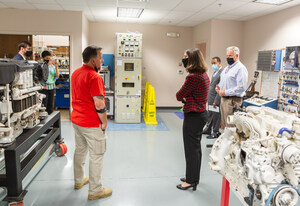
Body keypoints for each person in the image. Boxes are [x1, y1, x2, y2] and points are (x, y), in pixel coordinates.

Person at [71, 45, 112, 200]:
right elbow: (99, 103)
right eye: (100, 57)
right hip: (90, 123)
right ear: (94, 60)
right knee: (97, 155)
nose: (102, 60)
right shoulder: (95, 77)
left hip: (77, 121)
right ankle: (95, 190)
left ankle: (79, 180)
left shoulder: (76, 73)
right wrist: (104, 122)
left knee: (80, 150)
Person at [176, 48, 209, 191]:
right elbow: (194, 94)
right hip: (201, 114)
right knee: (195, 149)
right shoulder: (204, 74)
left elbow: (179, 95)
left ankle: (191, 181)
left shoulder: (192, 77)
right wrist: (188, 97)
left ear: (192, 60)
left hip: (193, 116)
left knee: (191, 149)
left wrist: (185, 97)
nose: (183, 59)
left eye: (185, 57)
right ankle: (193, 176)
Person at [216, 46, 248, 128]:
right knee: (225, 125)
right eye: (227, 56)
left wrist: (225, 92)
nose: (228, 58)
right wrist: (219, 87)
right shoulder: (227, 68)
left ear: (236, 55)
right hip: (223, 99)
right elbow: (224, 80)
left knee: (231, 126)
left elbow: (241, 87)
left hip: (233, 101)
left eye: (230, 56)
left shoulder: (241, 68)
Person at [203, 56, 224, 139]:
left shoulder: (222, 73)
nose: (213, 65)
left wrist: (216, 101)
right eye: (212, 63)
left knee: (216, 116)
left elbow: (220, 87)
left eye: (214, 63)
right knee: (210, 115)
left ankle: (215, 132)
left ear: (219, 63)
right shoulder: (215, 72)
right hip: (211, 98)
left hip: (215, 99)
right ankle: (208, 129)